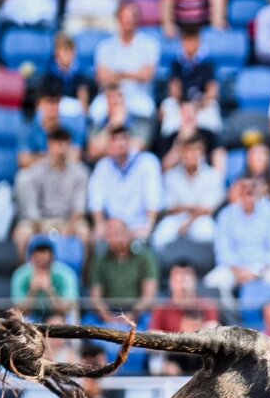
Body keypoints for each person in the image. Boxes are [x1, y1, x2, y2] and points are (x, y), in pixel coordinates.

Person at [12, 128, 91, 259]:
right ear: (49, 145)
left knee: (85, 233)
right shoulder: (34, 172)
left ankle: (83, 277)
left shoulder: (80, 173)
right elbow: (31, 208)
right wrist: (41, 228)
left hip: (68, 221)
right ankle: (26, 274)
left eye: (64, 143)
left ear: (69, 146)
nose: (60, 149)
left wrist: (68, 228)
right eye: (56, 143)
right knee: (21, 235)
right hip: (40, 221)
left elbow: (79, 209)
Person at [205, 178, 270, 296]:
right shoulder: (226, 215)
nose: (249, 194)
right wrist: (239, 271)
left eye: (252, 190)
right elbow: (223, 251)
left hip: (265, 268)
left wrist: (256, 271)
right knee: (212, 284)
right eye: (245, 190)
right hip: (234, 268)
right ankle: (230, 314)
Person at [87, 126, 164, 243]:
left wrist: (149, 226)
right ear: (109, 144)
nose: (119, 144)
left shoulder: (148, 162)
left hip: (139, 225)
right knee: (95, 237)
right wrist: (100, 224)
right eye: (115, 139)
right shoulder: (102, 166)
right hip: (112, 227)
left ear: (130, 141)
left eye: (123, 138)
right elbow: (96, 200)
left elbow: (154, 198)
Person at [153, 135, 225, 248]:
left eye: (197, 150)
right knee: (159, 237)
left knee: (208, 234)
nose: (193, 154)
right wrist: (190, 209)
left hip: (201, 218)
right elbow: (169, 208)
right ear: (182, 154)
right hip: (176, 218)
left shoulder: (213, 175)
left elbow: (208, 209)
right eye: (189, 150)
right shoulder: (171, 176)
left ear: (203, 153)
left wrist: (188, 221)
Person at [94, 0, 161, 121]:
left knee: (147, 110)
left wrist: (119, 74)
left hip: (138, 95)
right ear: (118, 19)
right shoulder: (105, 46)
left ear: (137, 20)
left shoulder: (150, 45)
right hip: (110, 94)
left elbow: (147, 75)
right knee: (95, 111)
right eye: (125, 17)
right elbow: (102, 76)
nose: (128, 21)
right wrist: (134, 74)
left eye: (132, 17)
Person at [87, 218, 159, 323]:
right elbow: (96, 296)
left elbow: (149, 295)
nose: (116, 239)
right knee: (87, 327)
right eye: (111, 235)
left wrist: (133, 315)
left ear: (129, 233)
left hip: (138, 313)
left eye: (119, 233)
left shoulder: (145, 257)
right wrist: (107, 316)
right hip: (107, 313)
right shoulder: (100, 260)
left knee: (151, 324)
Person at [161, 26, 223, 143]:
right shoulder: (176, 64)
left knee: (213, 109)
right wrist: (185, 107)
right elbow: (174, 90)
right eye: (187, 40)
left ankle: (214, 147)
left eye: (193, 40)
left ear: (199, 42)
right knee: (168, 106)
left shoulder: (207, 64)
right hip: (181, 106)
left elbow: (212, 90)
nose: (190, 44)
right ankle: (167, 147)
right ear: (182, 42)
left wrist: (198, 105)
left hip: (202, 105)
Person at [10, 236, 79, 320]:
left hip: (58, 317)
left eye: (46, 263)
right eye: (38, 262)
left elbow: (66, 309)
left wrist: (50, 290)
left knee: (59, 321)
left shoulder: (66, 274)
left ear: (52, 258)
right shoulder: (20, 275)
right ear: (31, 259)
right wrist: (33, 292)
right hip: (32, 317)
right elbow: (20, 311)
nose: (42, 264)